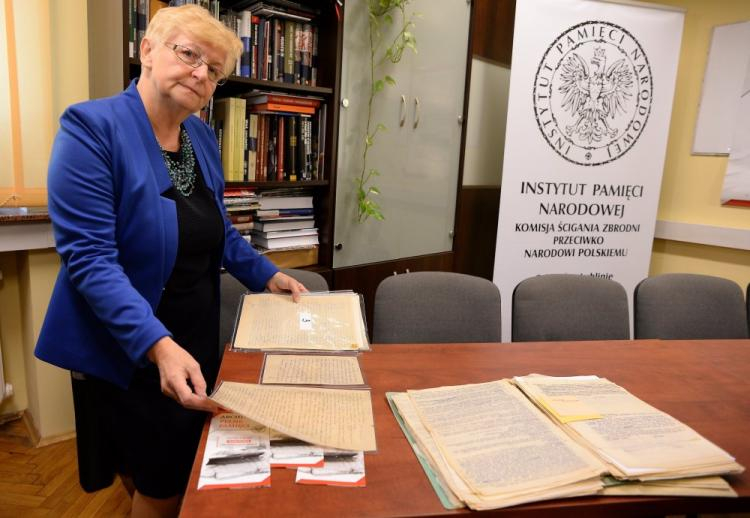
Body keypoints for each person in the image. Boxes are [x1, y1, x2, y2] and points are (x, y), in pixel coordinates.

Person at [34, 5, 307, 517]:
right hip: (130, 346)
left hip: (193, 339)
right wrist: (157, 346)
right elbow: (89, 259)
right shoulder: (91, 127)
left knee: (173, 474)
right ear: (148, 50)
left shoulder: (200, 136)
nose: (201, 73)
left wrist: (267, 275)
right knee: (162, 488)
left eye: (214, 69)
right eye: (189, 54)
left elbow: (218, 231)